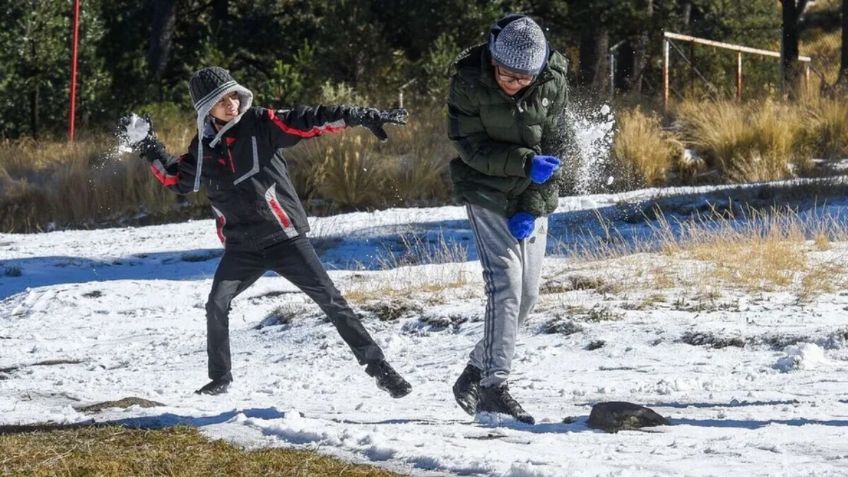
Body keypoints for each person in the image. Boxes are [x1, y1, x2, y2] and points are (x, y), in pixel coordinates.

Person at [119, 66, 412, 398]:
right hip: (242, 248)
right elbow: (177, 179)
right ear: (206, 108)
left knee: (332, 301)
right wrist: (147, 146)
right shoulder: (203, 148)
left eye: (234, 95)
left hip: (285, 237)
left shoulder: (261, 123)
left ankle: (381, 370)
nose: (231, 103)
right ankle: (220, 378)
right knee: (217, 302)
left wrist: (357, 116)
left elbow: (308, 119)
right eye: (221, 99)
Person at [447, 14, 573, 424]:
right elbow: (469, 146)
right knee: (506, 287)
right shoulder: (468, 80)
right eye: (504, 73)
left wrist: (534, 204)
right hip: (484, 189)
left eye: (522, 78)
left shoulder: (552, 81)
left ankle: (473, 372)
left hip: (529, 193)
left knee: (529, 295)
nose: (511, 83)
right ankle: (493, 389)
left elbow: (558, 149)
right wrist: (524, 164)